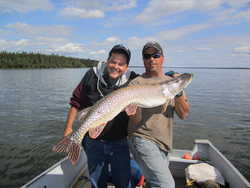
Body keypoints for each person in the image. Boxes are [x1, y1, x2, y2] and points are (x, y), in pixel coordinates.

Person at [63, 44, 138, 188]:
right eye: (113, 61)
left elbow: (150, 81)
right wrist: (68, 128)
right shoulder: (92, 75)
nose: (116, 66)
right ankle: (75, 142)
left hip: (120, 141)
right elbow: (76, 102)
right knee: (97, 182)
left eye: (121, 64)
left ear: (126, 67)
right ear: (107, 61)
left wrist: (169, 77)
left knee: (124, 182)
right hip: (93, 142)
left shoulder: (133, 80)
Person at [127, 41, 190, 188]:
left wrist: (178, 91)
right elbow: (133, 123)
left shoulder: (173, 83)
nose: (151, 59)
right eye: (147, 56)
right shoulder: (136, 83)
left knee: (153, 182)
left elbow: (184, 114)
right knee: (166, 185)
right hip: (141, 139)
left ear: (163, 58)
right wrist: (133, 110)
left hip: (164, 143)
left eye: (156, 55)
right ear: (143, 60)